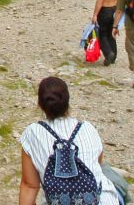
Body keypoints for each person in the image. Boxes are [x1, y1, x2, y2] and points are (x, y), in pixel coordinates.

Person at [18, 76, 119, 205]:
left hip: (58, 201)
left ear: (40, 104)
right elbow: (97, 164)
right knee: (112, 177)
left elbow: (29, 185)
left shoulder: (32, 133)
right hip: (99, 200)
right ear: (68, 101)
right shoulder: (88, 128)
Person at [91, 0, 121, 66]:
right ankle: (113, 56)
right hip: (115, 10)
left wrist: (95, 14)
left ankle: (108, 54)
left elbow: (100, 0)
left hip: (105, 10)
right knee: (111, 32)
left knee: (102, 33)